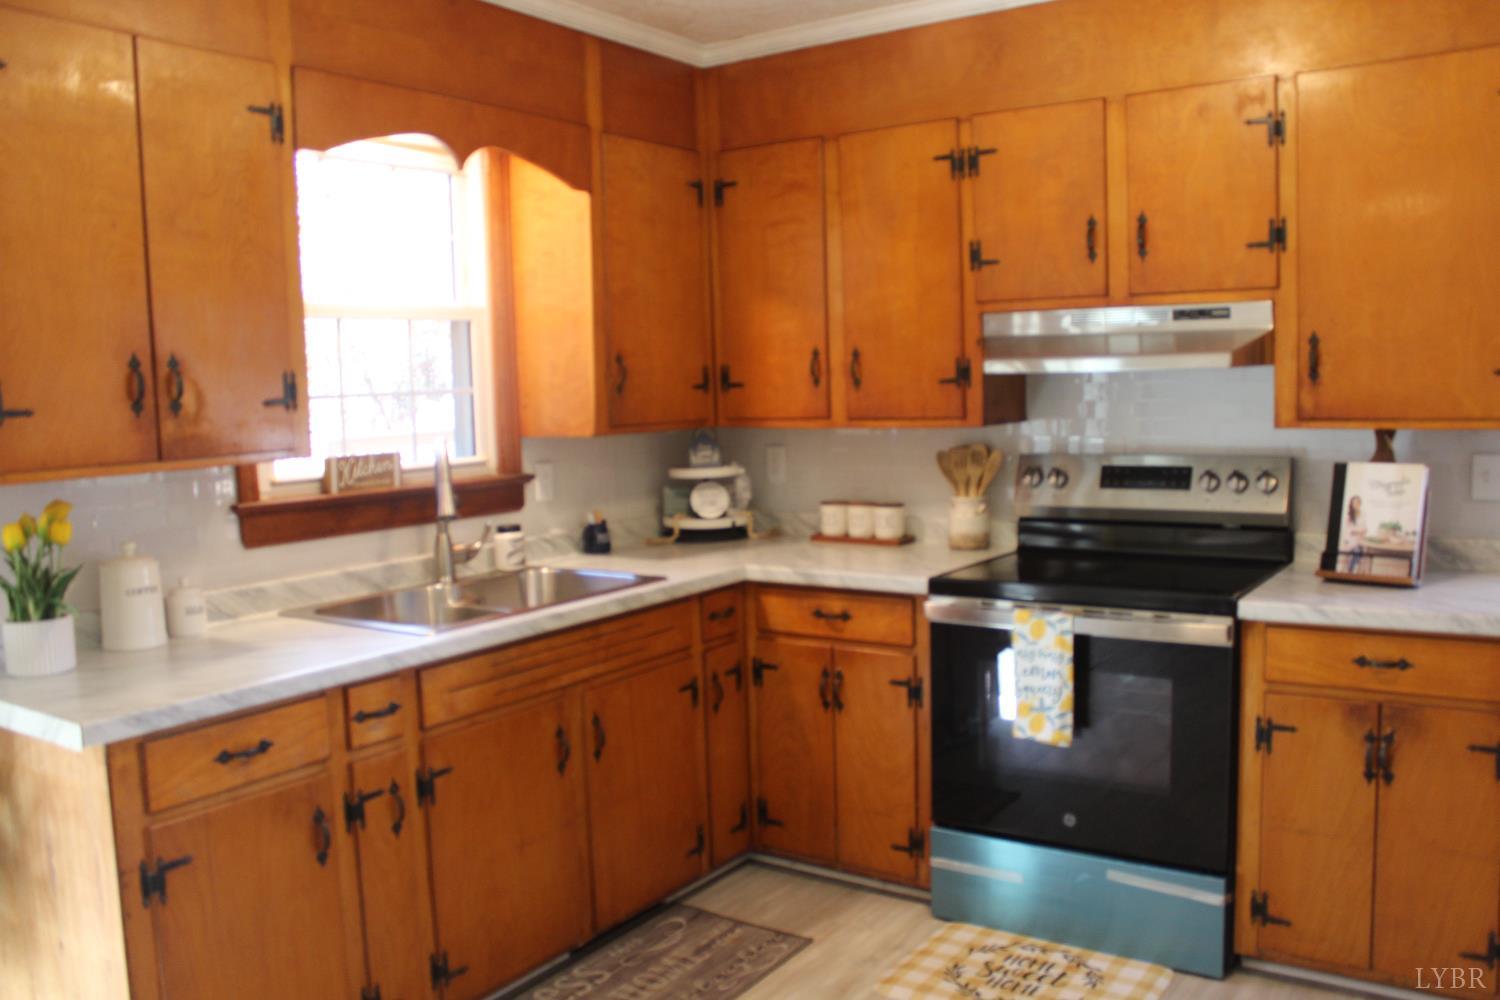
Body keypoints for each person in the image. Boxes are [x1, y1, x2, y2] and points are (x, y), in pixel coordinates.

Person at [1342, 495, 1367, 573]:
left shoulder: (1363, 514)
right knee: (1357, 551)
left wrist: (1359, 531)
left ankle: (1352, 569)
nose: (1356, 505)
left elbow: (1365, 528)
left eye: (1357, 503)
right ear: (1352, 504)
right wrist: (1359, 531)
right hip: (1351, 541)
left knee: (1360, 551)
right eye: (1354, 503)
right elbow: (1350, 530)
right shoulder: (1349, 515)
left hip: (1360, 540)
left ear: (1360, 504)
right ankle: (1351, 570)